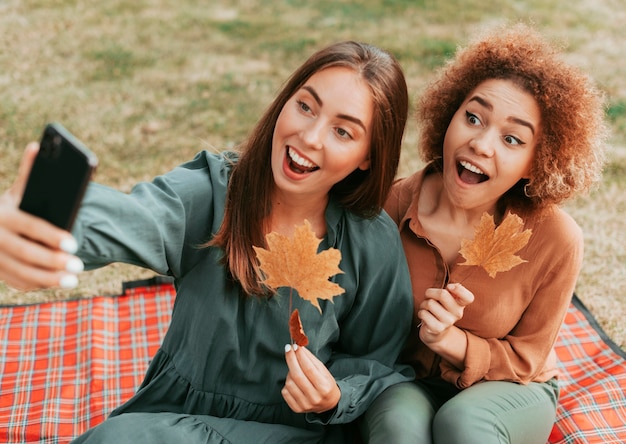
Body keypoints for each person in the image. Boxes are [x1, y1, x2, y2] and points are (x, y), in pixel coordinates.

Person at [0, 41, 416, 443]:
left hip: (293, 433)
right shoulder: (212, 193)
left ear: (368, 156)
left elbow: (378, 360)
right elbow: (136, 217)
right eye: (305, 106)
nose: (310, 136)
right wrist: (46, 225)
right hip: (174, 421)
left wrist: (335, 396)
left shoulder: (369, 241)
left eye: (343, 131)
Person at [360, 23, 608, 444]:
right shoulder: (389, 208)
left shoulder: (556, 240)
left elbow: (527, 359)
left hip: (512, 387)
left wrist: (451, 341)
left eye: (512, 139)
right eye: (473, 117)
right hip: (405, 380)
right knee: (400, 427)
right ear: (449, 115)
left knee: (462, 425)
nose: (482, 144)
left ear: (536, 161)